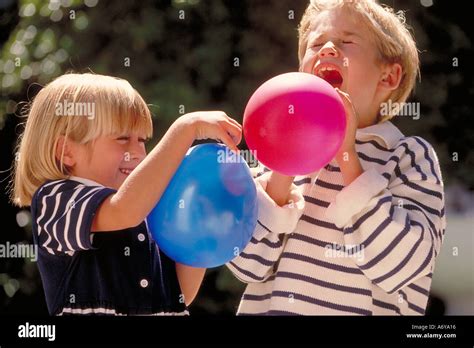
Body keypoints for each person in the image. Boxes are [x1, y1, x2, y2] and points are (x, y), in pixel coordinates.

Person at [228, 0, 446, 315]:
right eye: (315, 44)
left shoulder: (408, 156)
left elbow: (403, 265)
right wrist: (284, 163)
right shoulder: (275, 159)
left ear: (388, 77)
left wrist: (347, 155)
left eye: (347, 42)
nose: (328, 49)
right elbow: (246, 265)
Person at [11, 73, 242, 315]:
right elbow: (124, 210)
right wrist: (185, 129)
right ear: (66, 151)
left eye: (142, 140)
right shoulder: (55, 200)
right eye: (122, 139)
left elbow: (180, 295)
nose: (138, 152)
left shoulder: (146, 208)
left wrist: (201, 222)